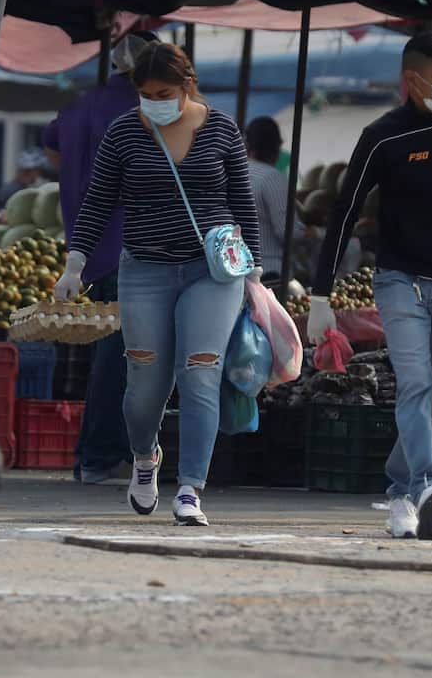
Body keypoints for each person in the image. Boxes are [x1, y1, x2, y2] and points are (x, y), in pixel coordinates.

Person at [308, 31, 432, 541]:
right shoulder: (383, 136)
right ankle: (428, 482)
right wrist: (319, 294)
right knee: (416, 385)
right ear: (412, 81)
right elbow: (344, 212)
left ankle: (401, 492)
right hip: (401, 281)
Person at [54, 42, 261, 526]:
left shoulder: (222, 128)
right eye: (145, 93)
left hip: (212, 272)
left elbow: (243, 202)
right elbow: (98, 199)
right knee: (145, 380)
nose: (155, 101)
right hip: (145, 269)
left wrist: (253, 274)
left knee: (200, 370)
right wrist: (75, 263)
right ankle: (145, 458)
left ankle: (191, 488)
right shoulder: (124, 132)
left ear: (187, 85)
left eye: (164, 92)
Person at [43, 30, 158, 484]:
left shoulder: (79, 106)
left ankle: (100, 454)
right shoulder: (138, 110)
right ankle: (99, 455)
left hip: (86, 247)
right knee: (119, 359)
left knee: (111, 357)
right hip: (127, 245)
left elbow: (52, 144)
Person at [244, 115, 307, 284]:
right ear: (277, 147)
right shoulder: (272, 178)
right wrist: (312, 233)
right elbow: (287, 232)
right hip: (269, 272)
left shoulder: (236, 173)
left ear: (247, 144)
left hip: (238, 270)